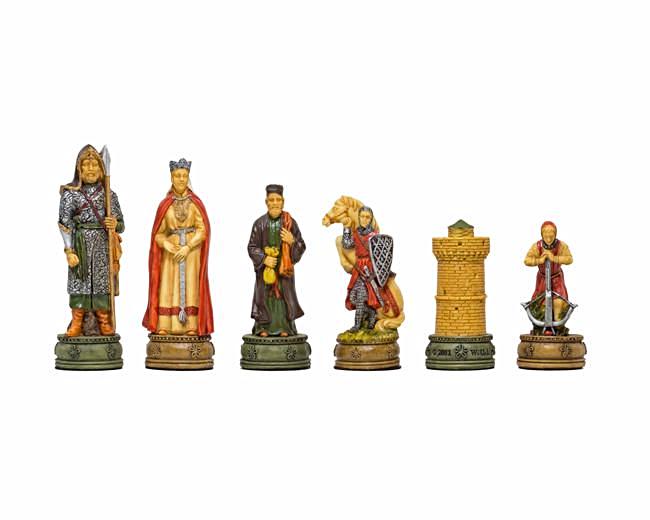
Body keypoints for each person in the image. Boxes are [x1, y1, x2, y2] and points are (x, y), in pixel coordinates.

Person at [142, 159, 213, 336]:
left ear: (188, 178)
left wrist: (188, 246)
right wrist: (166, 244)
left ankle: (191, 325)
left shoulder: (195, 203)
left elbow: (203, 230)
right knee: (167, 286)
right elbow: (158, 233)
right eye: (177, 176)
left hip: (191, 253)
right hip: (171, 253)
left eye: (184, 176)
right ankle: (165, 324)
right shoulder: (165, 204)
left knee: (191, 285)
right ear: (171, 178)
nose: (181, 179)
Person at [59, 144, 124, 336]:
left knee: (102, 281)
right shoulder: (71, 194)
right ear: (79, 168)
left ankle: (103, 320)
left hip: (102, 244)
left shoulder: (109, 194)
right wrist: (69, 251)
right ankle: (77, 321)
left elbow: (121, 224)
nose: (90, 169)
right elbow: (64, 223)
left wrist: (114, 223)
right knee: (79, 281)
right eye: (86, 165)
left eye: (94, 164)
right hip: (80, 243)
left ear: (101, 168)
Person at [248, 185, 305, 337]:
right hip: (266, 270)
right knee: (264, 297)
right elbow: (252, 247)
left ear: (283, 202)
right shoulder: (259, 223)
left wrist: (292, 241)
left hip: (283, 270)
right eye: (271, 200)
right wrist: (264, 259)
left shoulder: (290, 223)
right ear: (266, 202)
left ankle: (285, 327)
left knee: (283, 297)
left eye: (278, 200)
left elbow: (302, 245)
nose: (275, 203)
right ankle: (263, 327)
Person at [342, 206, 399, 331]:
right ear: (359, 217)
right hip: (358, 268)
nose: (364, 219)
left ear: (371, 219)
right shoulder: (356, 233)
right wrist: (346, 228)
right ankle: (372, 313)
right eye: (362, 216)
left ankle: (357, 325)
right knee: (352, 297)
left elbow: (380, 257)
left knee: (360, 298)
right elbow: (346, 244)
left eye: (367, 217)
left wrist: (374, 273)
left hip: (369, 270)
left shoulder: (375, 236)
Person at [524, 220, 573, 323]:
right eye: (546, 234)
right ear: (542, 234)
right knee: (540, 304)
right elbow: (527, 260)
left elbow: (569, 259)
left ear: (555, 234)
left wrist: (555, 258)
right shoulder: (537, 246)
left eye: (551, 234)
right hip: (542, 280)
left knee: (559, 303)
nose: (549, 238)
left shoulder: (561, 246)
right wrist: (539, 260)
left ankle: (558, 326)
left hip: (556, 279)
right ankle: (543, 325)